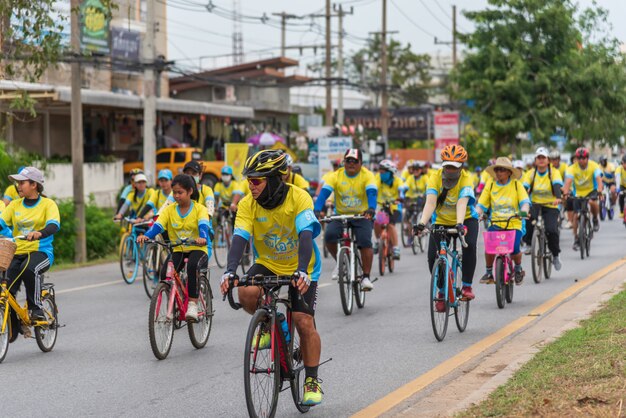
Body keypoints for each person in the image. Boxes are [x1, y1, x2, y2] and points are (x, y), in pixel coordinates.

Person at [219, 150, 324, 406]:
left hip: (302, 264)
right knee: (245, 291)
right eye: (249, 180)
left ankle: (311, 380)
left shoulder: (299, 197)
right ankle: (271, 320)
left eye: (257, 180)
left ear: (275, 179)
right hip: (267, 263)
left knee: (303, 321)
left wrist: (301, 270)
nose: (251, 186)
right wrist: (230, 270)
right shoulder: (247, 204)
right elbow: (241, 238)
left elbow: (306, 236)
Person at [138, 174, 212, 321]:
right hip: (178, 249)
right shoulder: (169, 210)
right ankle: (173, 303)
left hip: (198, 249)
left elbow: (203, 225)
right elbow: (158, 226)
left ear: (190, 191)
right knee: (165, 272)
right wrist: (147, 235)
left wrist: (202, 237)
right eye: (175, 193)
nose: (177, 196)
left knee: (192, 266)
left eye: (180, 192)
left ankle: (193, 303)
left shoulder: (200, 209)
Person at [414, 144, 479, 302]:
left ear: (461, 166)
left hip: (466, 219)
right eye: (447, 166)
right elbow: (430, 203)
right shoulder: (434, 177)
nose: (450, 170)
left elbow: (462, 203)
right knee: (432, 257)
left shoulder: (466, 178)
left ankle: (467, 286)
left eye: (454, 167)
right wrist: (422, 223)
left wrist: (459, 224)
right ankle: (443, 290)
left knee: (469, 245)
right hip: (441, 220)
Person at [0, 167, 60, 320]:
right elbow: (1, 222)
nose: (18, 186)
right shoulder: (14, 205)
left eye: (22, 182)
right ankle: (11, 324)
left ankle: (36, 309)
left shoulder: (48, 204)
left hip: (41, 252)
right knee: (5, 286)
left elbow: (54, 225)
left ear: (34, 185)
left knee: (28, 269)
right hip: (16, 252)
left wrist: (39, 233)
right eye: (17, 183)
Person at [314, 148, 377, 291]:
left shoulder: (368, 175)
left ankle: (366, 277)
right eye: (348, 160)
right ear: (344, 162)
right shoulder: (336, 175)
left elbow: (372, 193)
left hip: (362, 215)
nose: (351, 164)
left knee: (365, 241)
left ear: (361, 163)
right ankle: (342, 263)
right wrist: (317, 209)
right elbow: (324, 194)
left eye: (355, 161)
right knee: (329, 236)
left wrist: (371, 208)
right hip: (341, 214)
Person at [476, 157, 531, 285]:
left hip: (514, 223)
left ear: (509, 172)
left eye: (502, 170)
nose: (499, 172)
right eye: (497, 170)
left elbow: (525, 203)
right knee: (490, 248)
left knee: (515, 248)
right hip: (495, 222)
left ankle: (518, 269)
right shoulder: (490, 185)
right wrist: (476, 214)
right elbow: (481, 205)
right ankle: (489, 272)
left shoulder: (517, 185)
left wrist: (523, 212)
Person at [522, 147, 564, 270]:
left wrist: (558, 197)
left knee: (552, 230)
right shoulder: (531, 173)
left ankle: (555, 255)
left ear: (548, 160)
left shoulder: (553, 172)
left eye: (543, 158)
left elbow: (556, 185)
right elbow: (524, 189)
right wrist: (521, 201)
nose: (541, 160)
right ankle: (529, 243)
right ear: (535, 160)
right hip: (535, 204)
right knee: (527, 218)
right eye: (538, 158)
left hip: (551, 205)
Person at [562, 147, 603, 250]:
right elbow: (568, 182)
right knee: (576, 216)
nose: (581, 160)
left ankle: (594, 219)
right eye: (579, 158)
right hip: (578, 193)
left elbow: (599, 179)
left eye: (583, 158)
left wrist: (600, 190)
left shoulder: (594, 165)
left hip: (591, 190)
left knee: (592, 202)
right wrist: (566, 193)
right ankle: (576, 238)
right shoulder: (572, 168)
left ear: (587, 158)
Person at [373, 159, 404, 260]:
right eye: (380, 172)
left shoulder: (397, 180)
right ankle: (378, 241)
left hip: (394, 207)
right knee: (377, 222)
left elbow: (401, 190)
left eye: (383, 172)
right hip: (382, 206)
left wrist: (401, 197)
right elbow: (374, 188)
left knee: (390, 225)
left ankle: (395, 248)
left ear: (390, 173)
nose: (381, 174)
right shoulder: (378, 178)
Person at [615, 155, 626, 222]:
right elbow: (618, 178)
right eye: (625, 163)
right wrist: (618, 188)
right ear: (622, 163)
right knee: (621, 196)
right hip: (622, 185)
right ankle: (622, 211)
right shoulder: (619, 168)